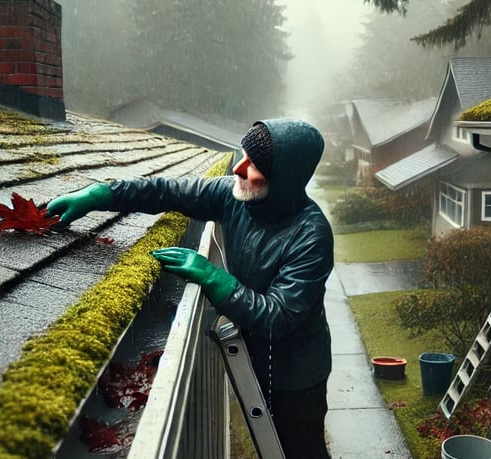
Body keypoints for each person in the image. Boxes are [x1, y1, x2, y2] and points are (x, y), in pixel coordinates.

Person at [46, 119, 333, 458]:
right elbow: (167, 191)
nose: (238, 169)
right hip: (256, 353)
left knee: (300, 447)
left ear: (284, 177)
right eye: (241, 156)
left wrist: (213, 277)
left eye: (253, 165)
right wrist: (101, 194)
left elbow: (278, 316)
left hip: (297, 373)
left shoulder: (311, 235)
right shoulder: (234, 196)